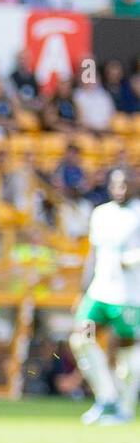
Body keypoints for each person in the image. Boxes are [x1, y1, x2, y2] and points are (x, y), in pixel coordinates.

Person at [70, 168, 140, 424]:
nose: (122, 189)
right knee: (81, 338)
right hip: (99, 291)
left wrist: (132, 259)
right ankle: (106, 396)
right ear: (110, 186)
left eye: (127, 184)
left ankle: (125, 407)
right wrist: (82, 291)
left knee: (126, 352)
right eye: (118, 184)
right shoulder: (101, 214)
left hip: (129, 296)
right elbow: (93, 253)